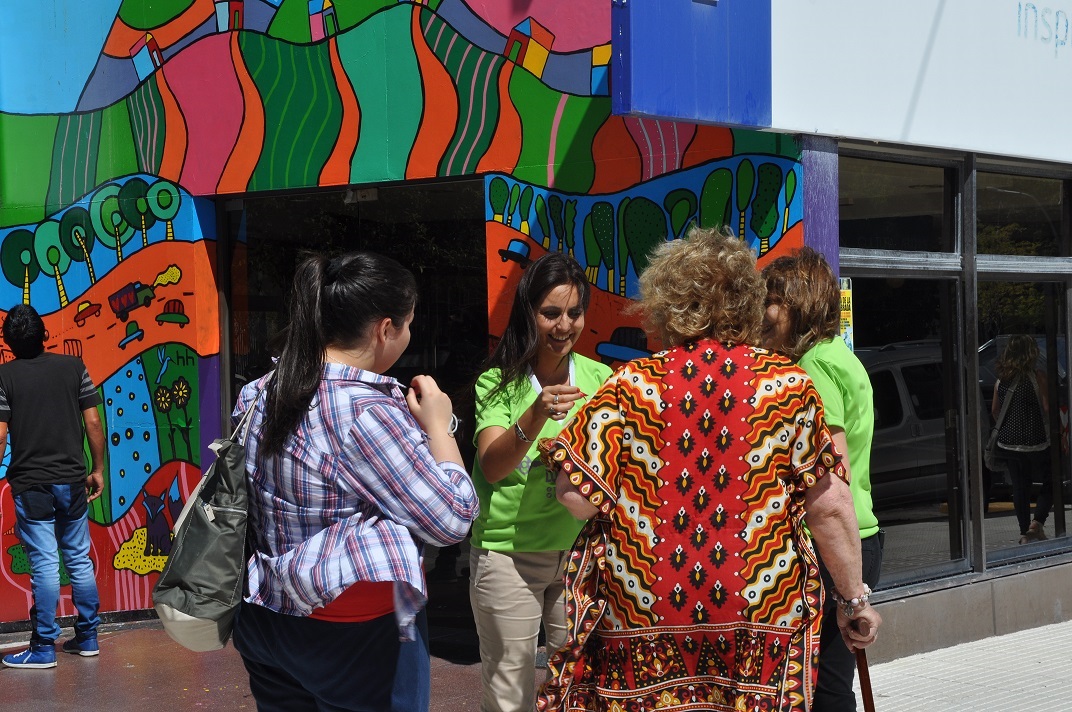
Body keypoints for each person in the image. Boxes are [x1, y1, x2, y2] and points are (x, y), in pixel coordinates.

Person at [537, 227, 881, 712]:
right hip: (757, 612)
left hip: (646, 614)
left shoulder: (630, 386)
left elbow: (576, 496)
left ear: (664, 302)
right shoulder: (786, 386)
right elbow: (828, 504)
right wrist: (852, 600)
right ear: (747, 300)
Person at [230, 251, 479, 711]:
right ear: (385, 329)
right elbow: (452, 519)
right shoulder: (365, 411)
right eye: (407, 324)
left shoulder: (258, 392)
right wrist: (440, 427)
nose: (408, 334)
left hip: (267, 615)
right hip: (356, 628)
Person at [470, 252, 613, 712]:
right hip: (507, 554)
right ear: (528, 313)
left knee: (581, 682)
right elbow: (493, 466)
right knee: (511, 690)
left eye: (574, 313)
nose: (564, 326)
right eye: (550, 313)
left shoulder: (601, 379)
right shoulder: (497, 382)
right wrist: (534, 416)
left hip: (581, 554)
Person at [762, 248, 882, 712]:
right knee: (832, 681)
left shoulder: (812, 366)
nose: (763, 312)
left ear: (797, 304)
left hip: (833, 538)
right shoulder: (839, 355)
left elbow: (834, 471)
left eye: (771, 299)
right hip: (859, 533)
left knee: (823, 686)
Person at [0, 304, 106, 668]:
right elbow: (93, 422)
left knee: (45, 563)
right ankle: (88, 637)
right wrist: (99, 468)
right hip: (72, 479)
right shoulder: (74, 368)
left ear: (9, 343)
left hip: (31, 484)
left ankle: (44, 647)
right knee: (77, 557)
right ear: (45, 334)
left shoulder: (3, 376)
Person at [991, 334, 1052, 544]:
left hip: (1008, 443)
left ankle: (1024, 532)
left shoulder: (1002, 380)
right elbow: (1046, 407)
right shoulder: (1038, 376)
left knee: (1020, 487)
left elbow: (995, 411)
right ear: (1030, 354)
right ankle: (1038, 523)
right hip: (1036, 441)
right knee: (1050, 480)